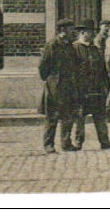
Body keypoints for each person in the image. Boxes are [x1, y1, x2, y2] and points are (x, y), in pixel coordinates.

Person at [71, 19, 110, 150]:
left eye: (93, 32)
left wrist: (106, 86)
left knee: (100, 117)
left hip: (96, 89)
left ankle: (105, 141)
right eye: (89, 32)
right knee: (80, 117)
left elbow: (103, 69)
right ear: (82, 32)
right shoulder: (74, 49)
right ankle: (78, 142)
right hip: (81, 90)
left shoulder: (95, 49)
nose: (92, 34)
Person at [39, 18, 79, 153]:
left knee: (68, 115)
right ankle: (48, 144)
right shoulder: (52, 45)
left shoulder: (70, 46)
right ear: (62, 30)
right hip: (55, 86)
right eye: (70, 29)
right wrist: (51, 80)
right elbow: (43, 66)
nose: (73, 32)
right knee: (52, 116)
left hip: (68, 85)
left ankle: (66, 143)